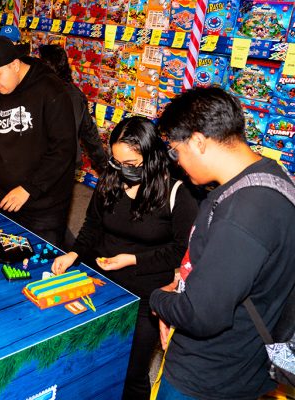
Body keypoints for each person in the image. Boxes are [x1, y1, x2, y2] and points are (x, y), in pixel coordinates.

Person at [149, 87, 295, 399]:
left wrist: (158, 299)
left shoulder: (243, 212)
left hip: (207, 376)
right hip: (242, 363)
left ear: (198, 142)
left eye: (175, 151)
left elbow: (201, 315)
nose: (176, 162)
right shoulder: (268, 175)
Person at [51, 116, 198, 400]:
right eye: (117, 162)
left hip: (146, 293)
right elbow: (92, 225)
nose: (122, 170)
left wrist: (132, 259)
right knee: (91, 357)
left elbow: (181, 250)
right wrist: (74, 253)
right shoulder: (111, 178)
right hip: (101, 282)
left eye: (131, 164)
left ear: (153, 157)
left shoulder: (179, 193)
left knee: (132, 371)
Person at [0, 36, 77, 247]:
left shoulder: (52, 90)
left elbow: (63, 150)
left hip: (42, 205)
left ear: (14, 64)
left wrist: (29, 188)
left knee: (39, 259)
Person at [39, 44, 107, 175]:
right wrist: (102, 164)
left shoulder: (40, 92)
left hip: (46, 162)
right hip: (68, 162)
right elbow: (89, 132)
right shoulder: (75, 93)